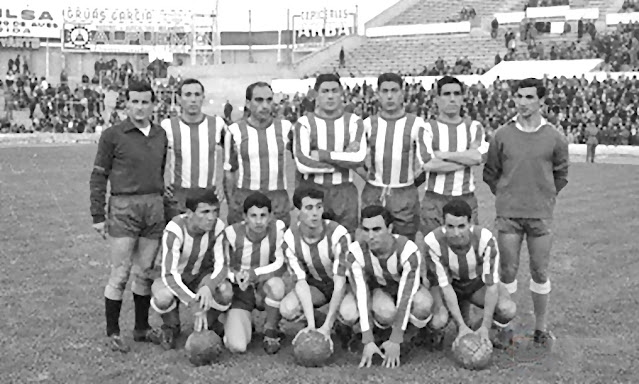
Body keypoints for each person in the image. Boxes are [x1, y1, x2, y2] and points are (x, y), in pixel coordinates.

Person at [483, 78, 569, 348]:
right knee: (507, 270)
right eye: (519, 96)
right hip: (509, 214)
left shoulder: (555, 136)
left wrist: (543, 196)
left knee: (540, 271)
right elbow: (491, 173)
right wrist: (508, 196)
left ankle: (541, 329)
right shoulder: (501, 135)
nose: (522, 102)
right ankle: (504, 327)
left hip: (540, 214)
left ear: (541, 101)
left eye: (529, 97)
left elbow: (561, 173)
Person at [89, 81, 168, 353]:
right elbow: (99, 175)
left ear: (153, 104)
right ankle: (113, 331)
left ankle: (141, 328)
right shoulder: (113, 135)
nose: (140, 107)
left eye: (145, 102)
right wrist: (97, 215)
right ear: (126, 104)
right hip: (124, 207)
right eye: (134, 101)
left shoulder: (160, 134)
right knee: (120, 273)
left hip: (153, 206)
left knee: (145, 272)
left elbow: (160, 171)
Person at [347, 206, 433, 369]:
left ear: (390, 228)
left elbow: (406, 295)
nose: (371, 236)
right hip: (381, 291)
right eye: (366, 230)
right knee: (383, 311)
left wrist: (396, 338)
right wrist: (368, 339)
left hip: (407, 290)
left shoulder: (408, 251)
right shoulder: (355, 253)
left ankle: (409, 337)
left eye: (377, 229)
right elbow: (361, 293)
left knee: (423, 304)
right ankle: (377, 337)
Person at [424, 199, 516, 349]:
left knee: (507, 309)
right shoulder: (432, 242)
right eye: (450, 227)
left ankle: (485, 327)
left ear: (470, 223)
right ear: (443, 224)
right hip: (451, 286)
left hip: (476, 285)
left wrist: (485, 326)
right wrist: (461, 327)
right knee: (438, 320)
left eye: (461, 226)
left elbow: (492, 286)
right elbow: (445, 287)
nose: (456, 233)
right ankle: (432, 332)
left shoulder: (485, 240)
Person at [150, 189, 232, 350]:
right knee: (163, 297)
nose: (211, 217)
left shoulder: (218, 227)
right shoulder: (174, 230)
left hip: (200, 275)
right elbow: (169, 274)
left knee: (225, 291)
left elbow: (222, 265)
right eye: (205, 212)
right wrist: (193, 302)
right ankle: (171, 327)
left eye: (215, 211)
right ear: (189, 213)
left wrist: (208, 286)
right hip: (174, 277)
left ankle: (209, 324)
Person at [358, 73, 430, 242]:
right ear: (377, 94)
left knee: (404, 243)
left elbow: (428, 162)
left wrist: (412, 183)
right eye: (384, 91)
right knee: (372, 242)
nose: (389, 96)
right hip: (374, 192)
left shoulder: (417, 124)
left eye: (394, 90)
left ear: (402, 93)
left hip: (404, 193)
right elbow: (354, 158)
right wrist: (367, 177)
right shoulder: (368, 124)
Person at [294, 74, 366, 235]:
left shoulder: (354, 122)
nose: (330, 96)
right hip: (313, 190)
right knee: (313, 242)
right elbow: (303, 163)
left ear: (342, 94)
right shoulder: (304, 123)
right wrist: (343, 161)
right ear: (316, 95)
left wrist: (323, 155)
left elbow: (359, 158)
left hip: (345, 191)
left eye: (334, 91)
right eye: (325, 91)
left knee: (346, 242)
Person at [279, 187, 354, 342]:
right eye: (308, 208)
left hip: (345, 286)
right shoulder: (289, 239)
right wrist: (311, 325)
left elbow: (340, 282)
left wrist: (327, 326)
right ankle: (317, 321)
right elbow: (301, 283)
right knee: (288, 309)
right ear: (297, 211)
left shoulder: (338, 234)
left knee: (349, 314)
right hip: (317, 287)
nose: (315, 213)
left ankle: (339, 325)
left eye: (319, 207)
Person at [417, 75, 489, 237]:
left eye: (457, 94)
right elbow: (429, 164)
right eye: (447, 94)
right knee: (434, 250)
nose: (452, 99)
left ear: (463, 98)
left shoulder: (474, 128)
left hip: (465, 198)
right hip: (435, 199)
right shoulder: (427, 128)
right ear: (437, 99)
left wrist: (443, 155)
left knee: (465, 251)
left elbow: (478, 157)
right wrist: (466, 160)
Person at [222, 192, 287, 354]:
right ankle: (229, 322)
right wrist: (234, 276)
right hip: (241, 293)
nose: (258, 221)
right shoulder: (231, 234)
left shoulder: (278, 230)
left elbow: (280, 263)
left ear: (271, 216)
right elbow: (223, 266)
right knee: (237, 347)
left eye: (263, 215)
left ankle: (270, 330)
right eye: (253, 216)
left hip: (264, 287)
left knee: (277, 286)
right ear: (244, 216)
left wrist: (254, 273)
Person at [224, 82, 294, 227]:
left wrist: (293, 196)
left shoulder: (286, 128)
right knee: (244, 247)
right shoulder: (234, 131)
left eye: (269, 100)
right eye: (259, 100)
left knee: (277, 247)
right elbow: (229, 171)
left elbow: (301, 163)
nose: (265, 105)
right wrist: (232, 202)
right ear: (248, 103)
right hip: (245, 197)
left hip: (277, 200)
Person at [162, 78, 227, 224]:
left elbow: (231, 157)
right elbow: (155, 158)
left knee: (206, 243)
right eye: (188, 95)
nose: (193, 100)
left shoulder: (217, 124)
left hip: (208, 195)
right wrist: (162, 182)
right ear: (179, 98)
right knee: (177, 240)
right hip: (178, 196)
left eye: (197, 95)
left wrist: (221, 182)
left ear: (203, 98)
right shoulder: (167, 126)